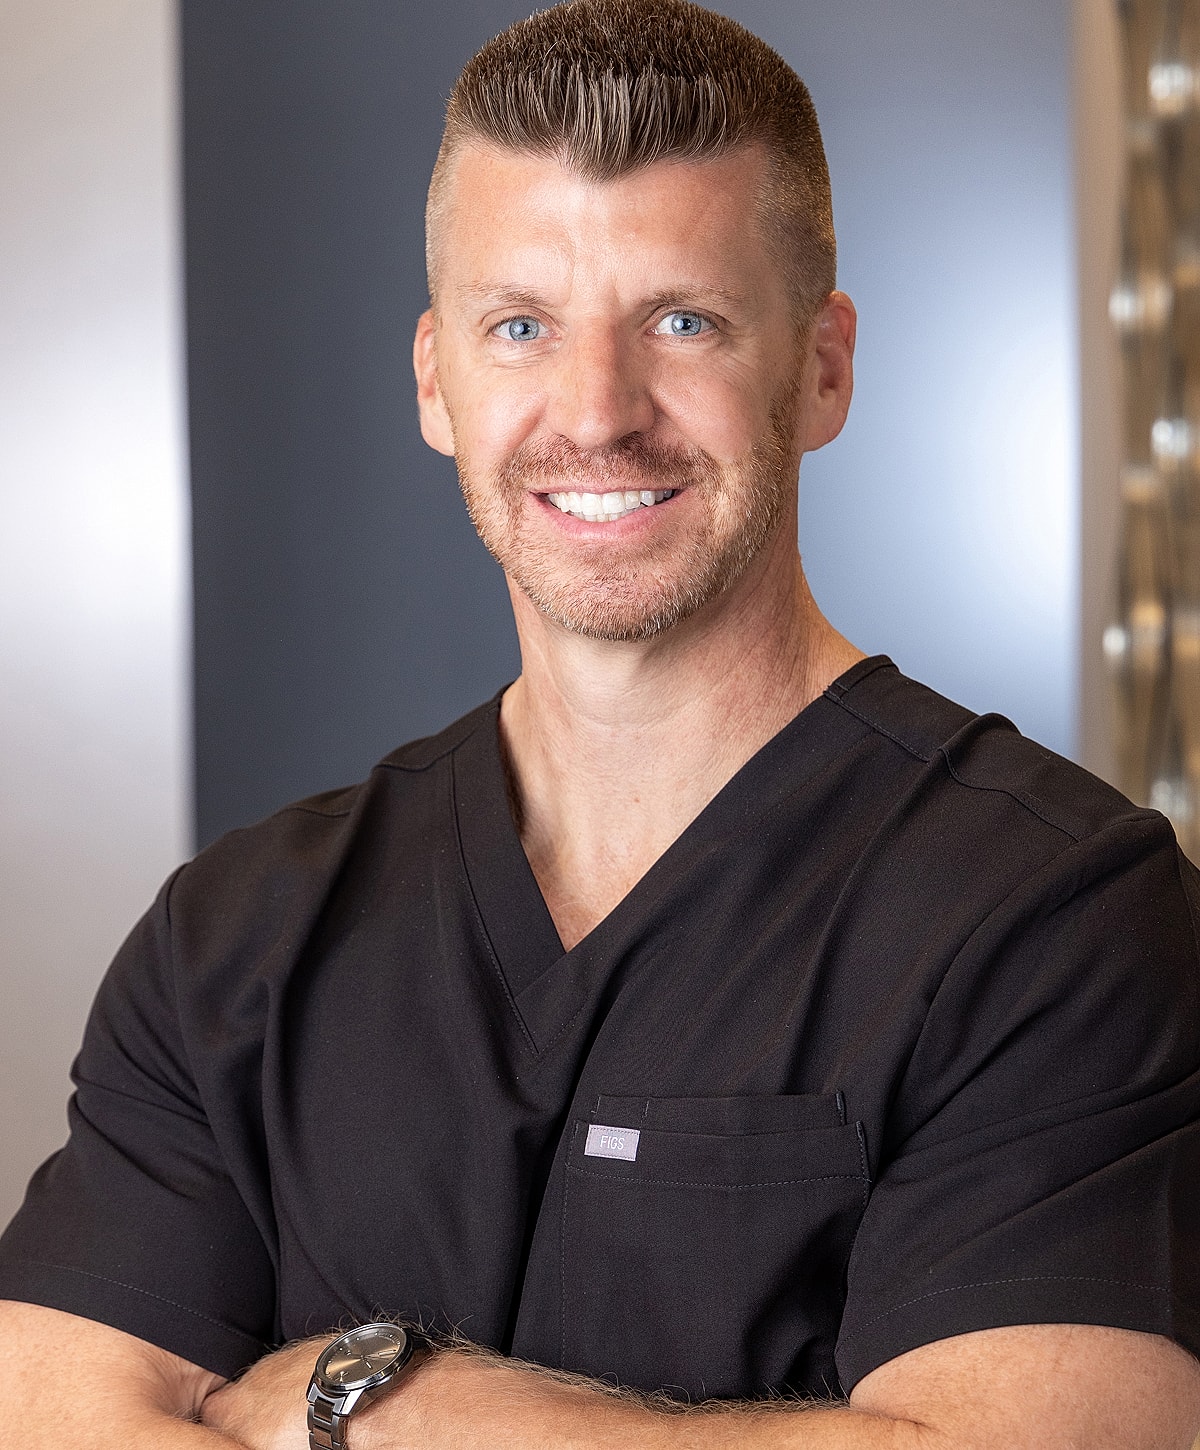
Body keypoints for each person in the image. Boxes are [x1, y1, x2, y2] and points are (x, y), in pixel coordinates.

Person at [3, 2, 1200, 1446]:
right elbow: (49, 1406)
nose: (597, 410)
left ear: (821, 368)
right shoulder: (238, 943)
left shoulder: (1061, 920)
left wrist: (373, 1407)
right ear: (439, 378)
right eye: (523, 326)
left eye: (681, 321)